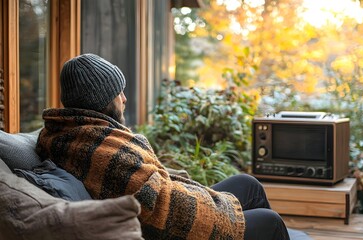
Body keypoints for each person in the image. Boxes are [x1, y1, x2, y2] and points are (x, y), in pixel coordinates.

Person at [36, 53, 290, 240]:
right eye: (119, 93)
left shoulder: (67, 134)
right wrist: (216, 209)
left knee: (248, 184)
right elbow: (160, 208)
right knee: (271, 222)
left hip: (165, 207)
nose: (124, 99)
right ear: (101, 101)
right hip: (167, 230)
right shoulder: (99, 151)